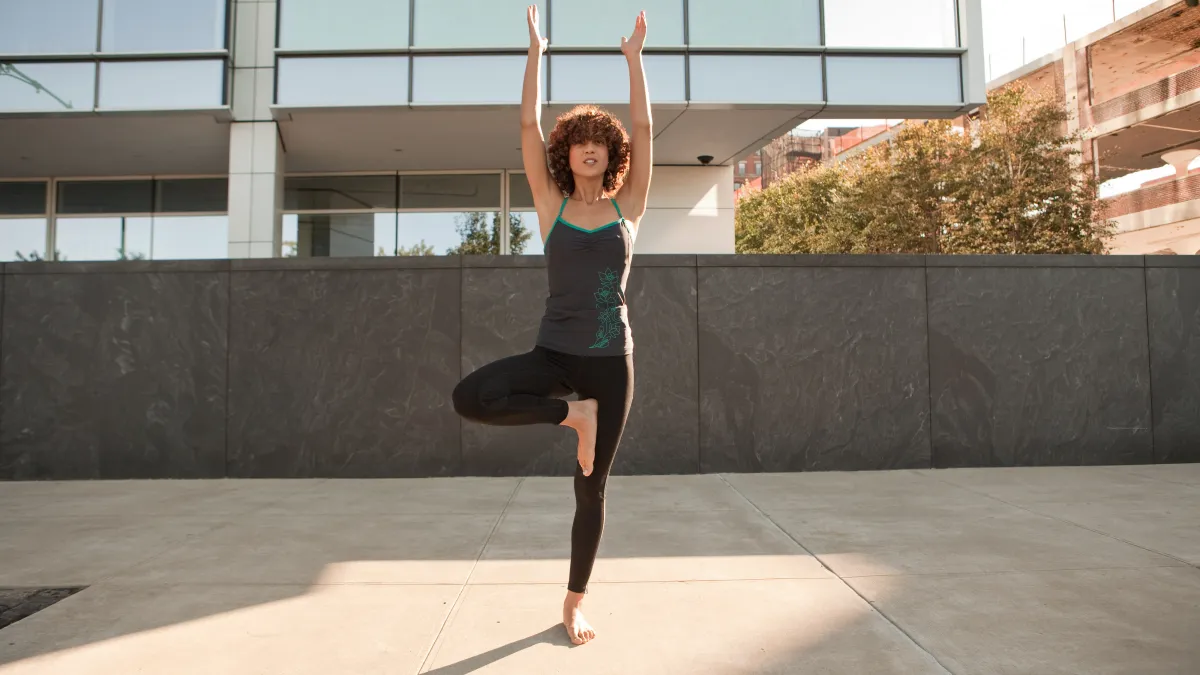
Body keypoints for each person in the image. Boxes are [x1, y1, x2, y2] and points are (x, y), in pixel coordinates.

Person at [451, 5, 652, 647]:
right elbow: (524, 124)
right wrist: (536, 52)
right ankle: (574, 418)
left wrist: (635, 60)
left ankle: (573, 603)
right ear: (566, 152)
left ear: (611, 151)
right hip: (555, 354)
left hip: (609, 361)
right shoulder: (551, 205)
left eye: (600, 138)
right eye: (577, 139)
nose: (589, 145)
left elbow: (646, 127)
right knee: (472, 397)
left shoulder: (630, 207)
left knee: (590, 489)